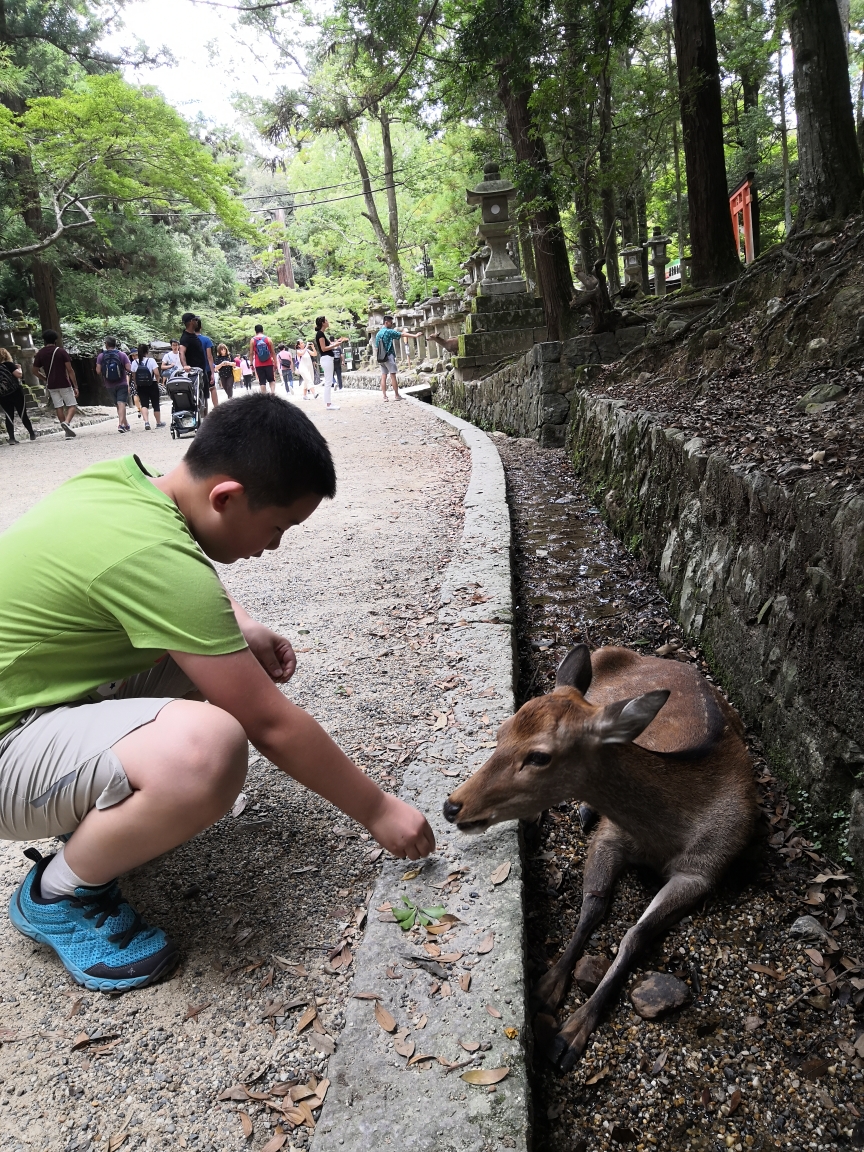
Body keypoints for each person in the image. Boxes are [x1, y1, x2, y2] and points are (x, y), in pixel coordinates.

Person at [0, 393, 434, 994]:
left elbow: (173, 574)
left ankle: (100, 822)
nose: (275, 545)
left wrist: (243, 623)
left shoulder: (123, 487)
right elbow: (269, 722)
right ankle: (56, 894)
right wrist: (379, 810)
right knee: (210, 750)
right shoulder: (157, 557)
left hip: (32, 703)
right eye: (277, 526)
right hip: (7, 748)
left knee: (211, 659)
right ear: (226, 496)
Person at [33, 330, 78, 437]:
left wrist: (45, 378)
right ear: (55, 340)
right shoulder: (61, 351)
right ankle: (66, 423)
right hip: (64, 382)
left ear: (44, 340)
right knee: (72, 405)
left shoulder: (40, 353)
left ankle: (67, 432)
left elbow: (34, 371)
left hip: (51, 385)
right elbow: (70, 369)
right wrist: (75, 386)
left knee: (59, 407)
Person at [375, 315, 421, 402]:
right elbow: (402, 334)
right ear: (386, 322)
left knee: (383, 376)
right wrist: (415, 336)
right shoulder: (388, 331)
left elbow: (376, 347)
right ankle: (396, 395)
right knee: (393, 375)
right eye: (391, 322)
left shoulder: (378, 334)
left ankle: (385, 396)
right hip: (388, 356)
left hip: (380, 358)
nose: (392, 324)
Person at [95, 337, 133, 434]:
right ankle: (121, 424)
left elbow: (98, 371)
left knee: (118, 405)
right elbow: (129, 368)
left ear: (106, 344)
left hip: (109, 384)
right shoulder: (122, 355)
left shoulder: (101, 356)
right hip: (122, 383)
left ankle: (125, 424)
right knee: (122, 404)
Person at [0, 347, 36, 444]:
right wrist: (19, 367)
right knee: (22, 413)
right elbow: (19, 375)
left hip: (2, 395)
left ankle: (11, 438)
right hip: (16, 392)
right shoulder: (9, 364)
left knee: (8, 415)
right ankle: (32, 433)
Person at [313, 317, 349, 412]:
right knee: (328, 382)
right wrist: (336, 345)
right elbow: (324, 348)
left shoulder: (321, 334)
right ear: (322, 323)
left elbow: (328, 346)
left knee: (328, 381)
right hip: (326, 359)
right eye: (326, 321)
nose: (328, 322)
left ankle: (328, 402)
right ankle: (328, 404)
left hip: (328, 359)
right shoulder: (320, 334)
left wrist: (339, 341)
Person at [129, 344, 164, 430]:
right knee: (155, 404)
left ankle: (146, 422)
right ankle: (158, 423)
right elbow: (156, 373)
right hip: (152, 384)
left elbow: (134, 375)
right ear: (147, 352)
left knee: (144, 404)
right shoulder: (151, 360)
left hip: (141, 386)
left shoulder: (134, 362)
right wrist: (157, 381)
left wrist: (136, 384)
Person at [194, 318, 217, 407]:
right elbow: (209, 357)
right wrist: (212, 372)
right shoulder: (206, 340)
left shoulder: (189, 340)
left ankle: (203, 412)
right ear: (201, 327)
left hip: (194, 370)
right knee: (212, 388)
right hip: (206, 368)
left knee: (200, 391)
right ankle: (216, 408)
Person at [249, 324, 277, 394]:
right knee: (271, 380)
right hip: (269, 363)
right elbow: (273, 352)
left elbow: (251, 353)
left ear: (255, 331)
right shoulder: (268, 339)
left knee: (262, 382)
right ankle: (272, 393)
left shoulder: (252, 340)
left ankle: (264, 397)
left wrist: (251, 364)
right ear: (263, 330)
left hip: (258, 364)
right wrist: (275, 363)